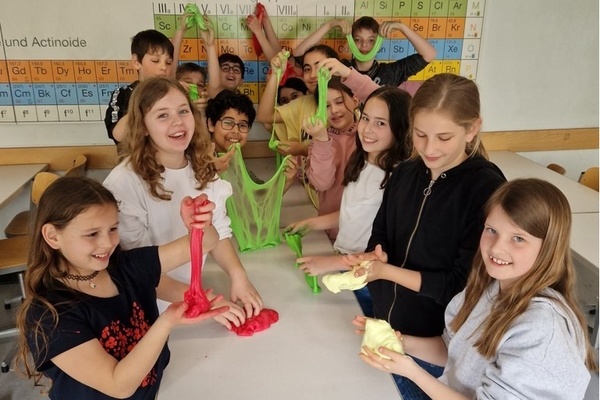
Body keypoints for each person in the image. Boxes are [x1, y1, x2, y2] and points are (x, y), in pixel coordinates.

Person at [356, 178, 597, 399]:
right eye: (492, 230)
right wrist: (398, 341)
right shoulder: (488, 288)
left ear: (549, 248)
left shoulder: (541, 328)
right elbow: (451, 348)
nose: (497, 248)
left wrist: (412, 371)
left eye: (518, 238)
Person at [344, 73, 506, 398]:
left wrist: (386, 271)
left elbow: (461, 284)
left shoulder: (485, 189)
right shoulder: (404, 173)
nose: (429, 149)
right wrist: (375, 255)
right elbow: (380, 233)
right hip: (387, 326)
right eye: (420, 135)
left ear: (472, 128)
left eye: (444, 137)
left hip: (436, 349)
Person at [15, 176, 228, 399]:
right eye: (92, 234)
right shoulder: (49, 313)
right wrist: (166, 322)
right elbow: (118, 385)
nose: (108, 243)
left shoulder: (126, 267)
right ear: (53, 236)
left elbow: (207, 242)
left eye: (113, 228)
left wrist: (199, 225)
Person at [103, 77, 263, 329]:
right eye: (162, 115)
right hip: (147, 315)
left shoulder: (202, 168)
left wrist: (238, 275)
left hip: (188, 301)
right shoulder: (124, 183)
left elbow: (219, 231)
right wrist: (203, 301)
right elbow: (138, 270)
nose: (177, 121)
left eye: (183, 111)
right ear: (142, 126)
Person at [287, 86, 411, 273]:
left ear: (400, 128)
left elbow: (387, 251)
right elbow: (353, 213)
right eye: (366, 118)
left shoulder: (398, 179)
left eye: (380, 123)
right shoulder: (361, 162)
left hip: (365, 272)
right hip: (346, 260)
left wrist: (333, 263)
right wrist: (312, 223)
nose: (367, 129)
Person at [104, 23, 188, 145]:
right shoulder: (123, 93)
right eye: (155, 60)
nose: (163, 67)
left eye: (168, 62)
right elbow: (118, 134)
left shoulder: (174, 93)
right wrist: (151, 97)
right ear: (136, 62)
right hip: (136, 157)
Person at [293, 17, 436, 88]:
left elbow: (429, 54)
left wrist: (402, 27)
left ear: (379, 42)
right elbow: (299, 53)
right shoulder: (339, 68)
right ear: (350, 41)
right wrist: (329, 25)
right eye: (358, 39)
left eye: (371, 40)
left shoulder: (391, 72)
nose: (364, 45)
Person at [301, 76, 359, 240]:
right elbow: (322, 183)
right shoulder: (320, 140)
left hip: (364, 232)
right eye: (326, 106)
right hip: (331, 233)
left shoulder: (368, 136)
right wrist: (321, 140)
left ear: (355, 101)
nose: (334, 110)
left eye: (339, 102)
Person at [205, 90, 298, 189]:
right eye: (228, 123)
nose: (236, 131)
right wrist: (211, 173)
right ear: (211, 124)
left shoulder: (237, 164)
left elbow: (257, 196)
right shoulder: (199, 163)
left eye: (242, 125)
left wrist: (286, 182)